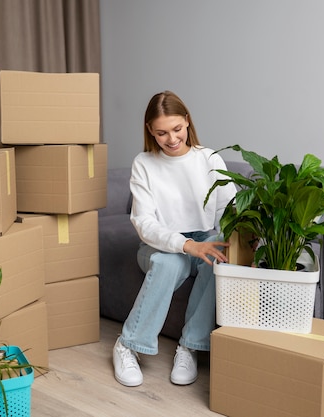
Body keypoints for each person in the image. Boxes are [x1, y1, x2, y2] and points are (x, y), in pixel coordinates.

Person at [112, 90, 237, 387]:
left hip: (205, 239)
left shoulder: (209, 158)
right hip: (159, 246)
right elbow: (144, 223)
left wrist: (234, 243)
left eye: (177, 129)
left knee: (217, 260)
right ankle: (127, 345)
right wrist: (186, 245)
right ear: (150, 132)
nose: (171, 139)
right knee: (170, 265)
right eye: (162, 133)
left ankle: (190, 346)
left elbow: (229, 210)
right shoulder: (144, 163)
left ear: (187, 122)